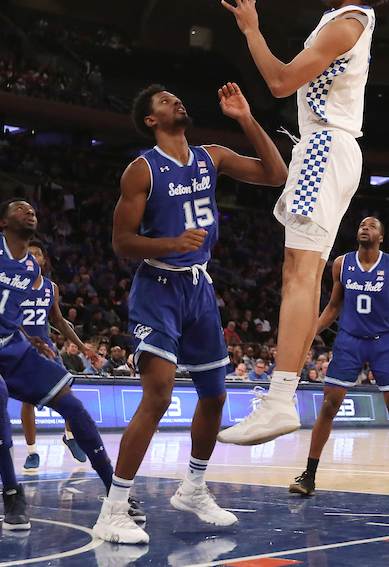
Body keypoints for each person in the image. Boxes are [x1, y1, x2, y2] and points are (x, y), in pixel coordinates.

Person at [218, 0, 389, 445]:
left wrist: (251, 30)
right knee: (300, 268)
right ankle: (280, 396)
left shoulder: (344, 26)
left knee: (301, 271)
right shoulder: (351, 6)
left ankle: (279, 400)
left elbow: (278, 82)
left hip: (324, 145)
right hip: (328, 149)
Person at [93, 82, 287, 543]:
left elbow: (276, 174)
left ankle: (193, 489)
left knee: (215, 396)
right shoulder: (142, 170)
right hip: (157, 287)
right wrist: (171, 244)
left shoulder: (211, 156)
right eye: (164, 100)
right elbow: (121, 243)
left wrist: (246, 118)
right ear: (151, 120)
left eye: (176, 96)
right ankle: (113, 510)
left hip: (199, 288)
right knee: (158, 395)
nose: (176, 100)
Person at [0, 199, 133, 535]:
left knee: (73, 406)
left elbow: (15, 312)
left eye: (33, 210)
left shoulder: (34, 273)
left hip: (16, 346)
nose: (30, 212)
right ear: (3, 222)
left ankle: (115, 490)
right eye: (20, 208)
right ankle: (12, 492)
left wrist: (32, 338)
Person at [290, 216, 389, 499]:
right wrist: (310, 333)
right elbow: (334, 305)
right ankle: (308, 476)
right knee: (329, 405)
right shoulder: (342, 264)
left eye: (372, 226)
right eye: (362, 225)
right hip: (349, 341)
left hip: (383, 343)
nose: (365, 227)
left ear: (381, 237)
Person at [18, 239, 104, 475]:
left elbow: (58, 321)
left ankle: (69, 436)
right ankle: (32, 453)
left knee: (66, 392)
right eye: (28, 254)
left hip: (46, 347)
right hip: (22, 348)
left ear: (43, 260)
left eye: (37, 254)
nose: (32, 257)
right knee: (28, 401)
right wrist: (28, 339)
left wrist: (83, 347)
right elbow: (9, 319)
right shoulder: (14, 284)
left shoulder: (51, 287)